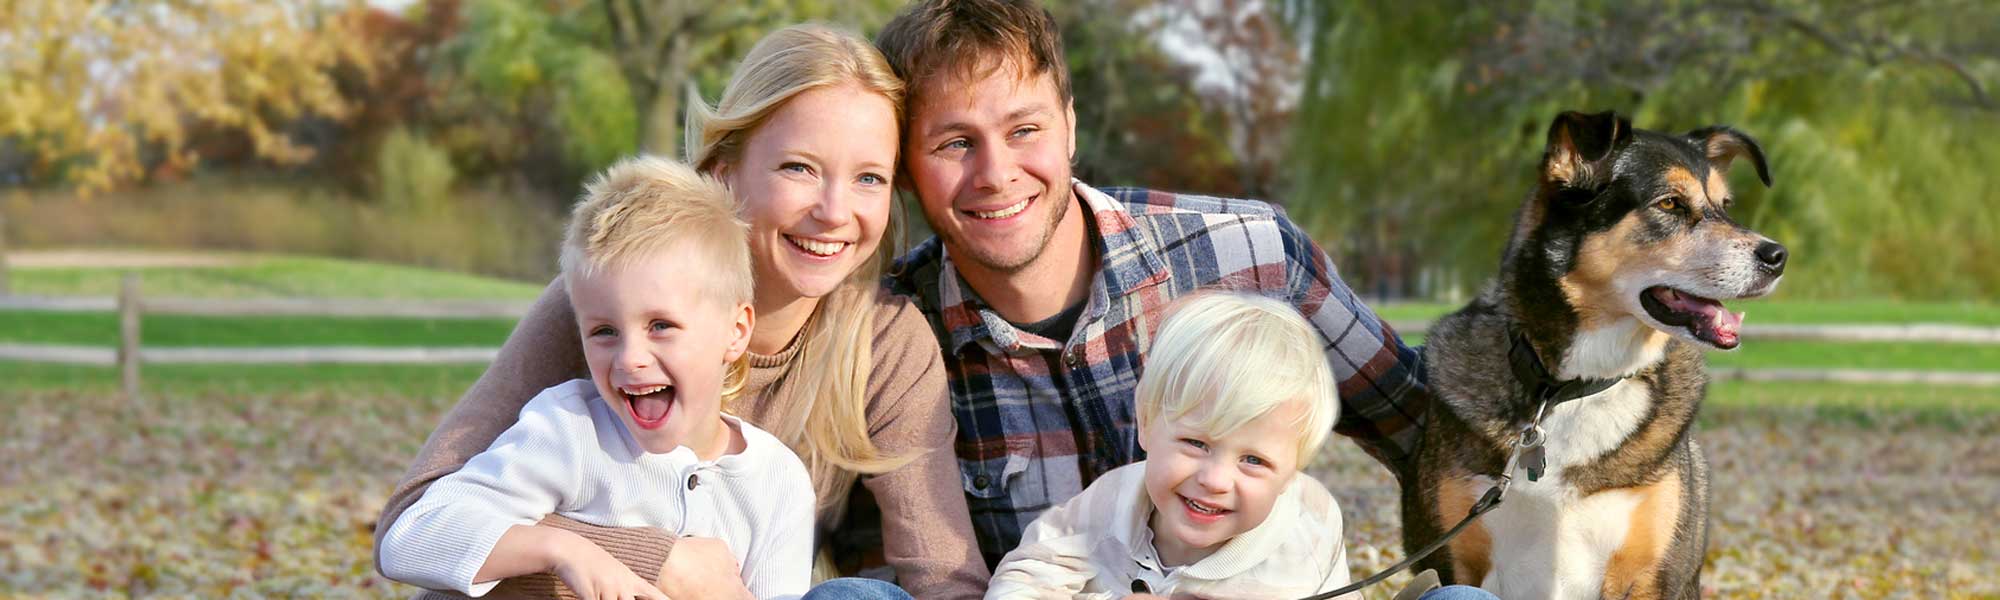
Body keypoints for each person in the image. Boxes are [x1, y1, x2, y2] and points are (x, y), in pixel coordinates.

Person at [374, 24, 985, 600]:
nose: (833, 211)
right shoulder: (605, 308)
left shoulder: (881, 343)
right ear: (724, 173)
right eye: (799, 167)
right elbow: (415, 521)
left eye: (869, 179)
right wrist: (654, 560)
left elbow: (939, 572)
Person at [872, 0, 1431, 568]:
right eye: (954, 144)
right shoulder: (891, 339)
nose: (995, 174)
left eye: (1024, 129)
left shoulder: (1252, 255)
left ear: (1069, 126)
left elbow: (1426, 426)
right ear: (905, 171)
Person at [378, 156, 815, 599]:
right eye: (604, 331)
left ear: (736, 331)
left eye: (660, 325)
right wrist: (565, 549)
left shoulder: (777, 483)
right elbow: (411, 537)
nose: (629, 358)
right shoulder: (571, 431)